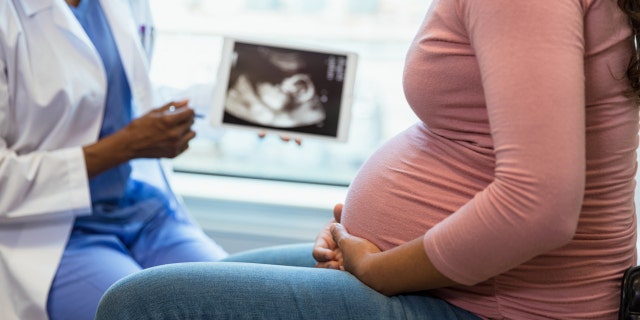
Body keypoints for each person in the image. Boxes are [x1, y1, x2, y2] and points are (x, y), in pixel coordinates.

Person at [95, 0, 639, 319]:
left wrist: (380, 267)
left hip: (503, 306)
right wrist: (361, 231)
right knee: (202, 282)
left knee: (142, 305)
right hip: (456, 281)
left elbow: (539, 206)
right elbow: (476, 140)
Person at [0, 1, 230, 319]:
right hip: (52, 231)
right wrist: (126, 146)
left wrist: (236, 106)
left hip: (141, 211)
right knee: (142, 312)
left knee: (241, 301)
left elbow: (127, 96)